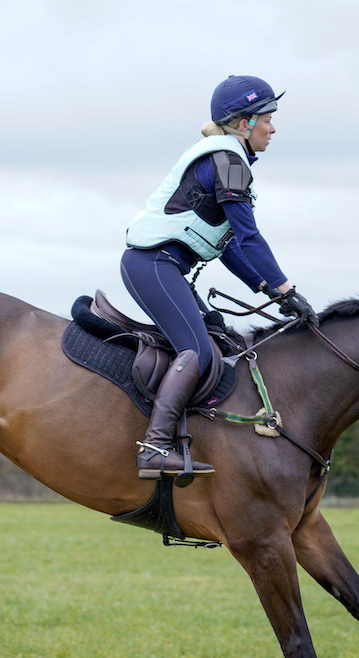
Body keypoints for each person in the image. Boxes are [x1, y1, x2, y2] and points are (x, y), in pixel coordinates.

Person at [122, 74, 315, 480]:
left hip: (161, 265)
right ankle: (156, 446)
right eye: (267, 118)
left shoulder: (227, 160)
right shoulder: (228, 162)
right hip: (154, 264)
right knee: (197, 351)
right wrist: (287, 289)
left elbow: (229, 247)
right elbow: (250, 237)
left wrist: (272, 293)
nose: (273, 128)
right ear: (244, 123)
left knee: (217, 337)